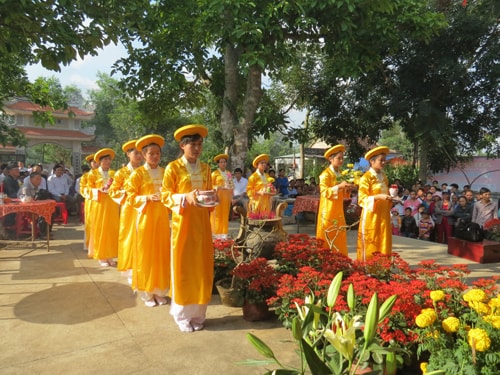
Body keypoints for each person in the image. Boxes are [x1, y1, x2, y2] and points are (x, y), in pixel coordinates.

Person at [161, 124, 214, 332]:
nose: (197, 149)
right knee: (184, 267)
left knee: (201, 267)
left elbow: (208, 192)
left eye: (199, 144)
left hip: (201, 225)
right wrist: (185, 197)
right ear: (182, 145)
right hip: (182, 226)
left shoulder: (206, 168)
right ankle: (182, 315)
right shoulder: (173, 168)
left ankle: (199, 314)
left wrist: (213, 198)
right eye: (193, 144)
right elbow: (166, 195)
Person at [125, 134, 170, 307]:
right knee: (146, 254)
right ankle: (146, 292)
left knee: (160, 253)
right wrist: (146, 198)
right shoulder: (138, 174)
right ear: (144, 155)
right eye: (151, 153)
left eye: (157, 153)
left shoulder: (166, 172)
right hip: (145, 218)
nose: (155, 156)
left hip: (162, 218)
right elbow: (130, 196)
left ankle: (159, 290)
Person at [108, 140, 143, 281]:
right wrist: (127, 194)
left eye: (141, 153)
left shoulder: (145, 171)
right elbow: (113, 191)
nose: (139, 156)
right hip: (129, 209)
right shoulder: (121, 173)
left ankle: (142, 266)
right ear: (128, 154)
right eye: (135, 153)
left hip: (146, 208)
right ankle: (130, 269)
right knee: (130, 237)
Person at [316, 144, 354, 255]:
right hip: (328, 209)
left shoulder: (341, 174)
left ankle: (339, 256)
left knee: (339, 231)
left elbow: (344, 194)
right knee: (327, 231)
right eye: (339, 158)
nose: (341, 160)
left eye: (342, 158)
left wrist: (348, 188)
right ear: (331, 159)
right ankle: (325, 258)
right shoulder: (325, 174)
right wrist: (340, 186)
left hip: (338, 209)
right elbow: (324, 192)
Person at [356, 146, 393, 261]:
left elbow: (385, 192)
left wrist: (390, 198)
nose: (383, 162)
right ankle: (368, 266)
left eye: (384, 160)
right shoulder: (366, 178)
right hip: (372, 215)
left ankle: (383, 266)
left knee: (383, 237)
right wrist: (377, 197)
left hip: (383, 214)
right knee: (372, 237)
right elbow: (362, 198)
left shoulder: (384, 176)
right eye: (380, 160)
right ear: (372, 161)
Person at [86, 148, 119, 267]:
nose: (108, 161)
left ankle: (110, 255)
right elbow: (87, 189)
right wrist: (97, 190)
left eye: (109, 159)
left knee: (111, 230)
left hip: (112, 204)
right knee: (101, 230)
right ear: (100, 161)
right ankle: (101, 256)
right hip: (99, 204)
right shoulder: (93, 174)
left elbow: (119, 187)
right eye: (105, 159)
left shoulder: (114, 173)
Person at [210, 154, 233, 239]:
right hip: (217, 197)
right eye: (221, 162)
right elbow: (210, 186)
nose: (223, 163)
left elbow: (231, 184)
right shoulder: (214, 174)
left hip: (226, 197)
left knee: (225, 214)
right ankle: (215, 233)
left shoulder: (228, 173)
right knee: (217, 215)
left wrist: (231, 193)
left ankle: (224, 234)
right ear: (218, 164)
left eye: (224, 162)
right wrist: (218, 187)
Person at [79, 154, 98, 251]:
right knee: (91, 224)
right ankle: (90, 246)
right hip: (92, 203)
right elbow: (83, 190)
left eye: (98, 161)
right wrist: (96, 192)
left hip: (105, 204)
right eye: (94, 162)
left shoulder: (109, 174)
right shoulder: (86, 177)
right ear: (90, 164)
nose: (96, 164)